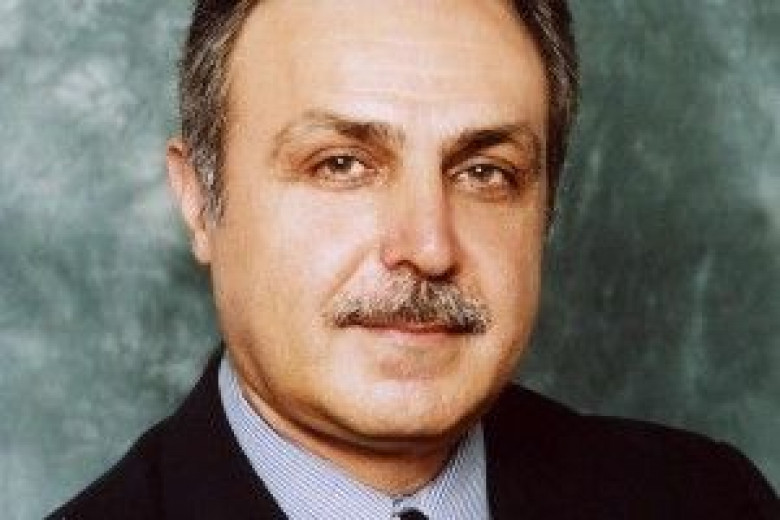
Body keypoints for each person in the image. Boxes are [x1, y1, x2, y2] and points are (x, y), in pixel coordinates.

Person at [49, 0, 779, 518]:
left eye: (484, 172)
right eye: (341, 164)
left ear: (548, 208)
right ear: (199, 201)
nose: (429, 248)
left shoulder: (711, 499)